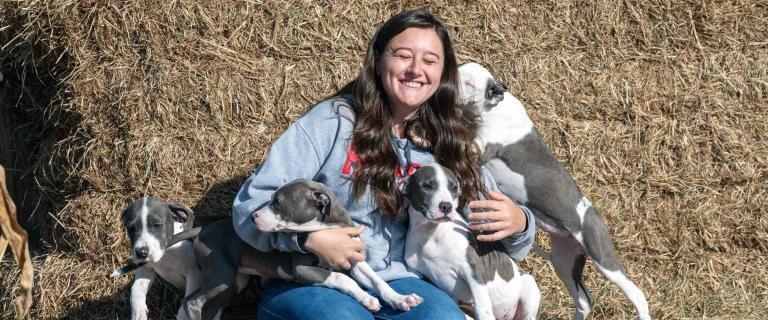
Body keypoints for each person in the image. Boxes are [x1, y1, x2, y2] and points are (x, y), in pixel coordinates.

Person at [232, 9, 536, 320]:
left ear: (444, 74)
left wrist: (520, 223)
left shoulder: (449, 141)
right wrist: (306, 239)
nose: (416, 69)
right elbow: (250, 206)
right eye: (403, 55)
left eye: (430, 61)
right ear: (378, 61)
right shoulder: (333, 122)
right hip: (318, 278)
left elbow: (503, 232)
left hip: (406, 283)